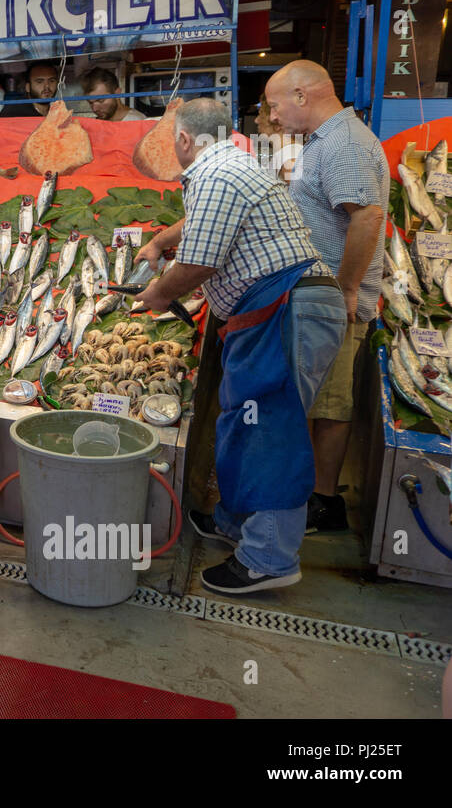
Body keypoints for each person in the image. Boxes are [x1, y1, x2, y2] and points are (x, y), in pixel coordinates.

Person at [135, 98, 346, 595]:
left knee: (270, 428)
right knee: (245, 418)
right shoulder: (231, 165)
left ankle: (269, 558)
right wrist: (162, 242)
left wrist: (159, 293)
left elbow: (202, 262)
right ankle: (237, 524)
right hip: (271, 311)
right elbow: (204, 226)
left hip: (287, 308)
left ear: (185, 140)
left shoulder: (217, 174)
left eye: (172, 141)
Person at [265, 60, 389, 533]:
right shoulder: (323, 142)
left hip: (335, 303)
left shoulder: (344, 143)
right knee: (316, 402)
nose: (274, 117)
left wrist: (349, 288)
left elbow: (367, 218)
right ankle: (308, 490)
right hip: (317, 297)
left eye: (276, 105)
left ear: (302, 96)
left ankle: (323, 501)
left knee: (331, 404)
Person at [253, 93, 300, 181]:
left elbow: (300, 194)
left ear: (278, 124)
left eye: (260, 115)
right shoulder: (286, 153)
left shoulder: (289, 156)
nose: (256, 120)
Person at [81, 67, 146, 122]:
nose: (95, 109)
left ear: (117, 94)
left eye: (101, 101)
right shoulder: (98, 123)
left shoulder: (136, 121)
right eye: (90, 103)